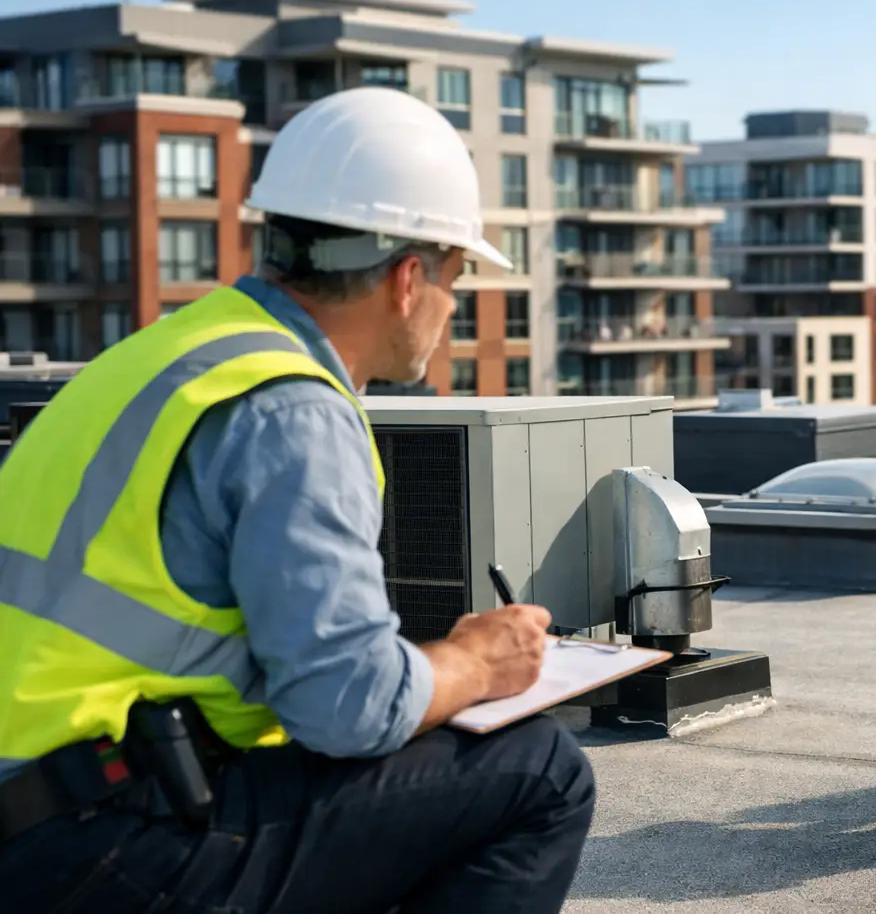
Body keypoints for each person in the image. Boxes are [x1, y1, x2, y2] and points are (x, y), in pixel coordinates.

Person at [0, 87, 595, 912]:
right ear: (408, 278)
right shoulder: (295, 411)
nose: (453, 309)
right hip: (103, 847)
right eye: (457, 278)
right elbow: (346, 708)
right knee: (540, 772)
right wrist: (474, 661)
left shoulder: (165, 356)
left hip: (42, 812)